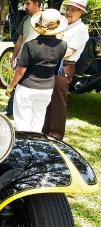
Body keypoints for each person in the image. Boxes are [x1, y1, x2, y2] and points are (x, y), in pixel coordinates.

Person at [5, 9, 67, 133]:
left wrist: (10, 87)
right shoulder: (63, 45)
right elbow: (56, 69)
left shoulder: (30, 45)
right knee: (38, 121)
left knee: (22, 123)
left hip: (27, 87)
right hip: (47, 88)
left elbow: (20, 71)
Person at [42, 0, 90, 140]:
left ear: (81, 12)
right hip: (53, 64)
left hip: (65, 66)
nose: (68, 12)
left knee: (58, 102)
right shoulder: (63, 25)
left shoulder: (81, 29)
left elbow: (68, 52)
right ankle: (45, 132)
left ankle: (56, 136)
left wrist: (47, 54)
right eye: (68, 8)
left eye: (73, 10)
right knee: (47, 99)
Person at [4, 0, 41, 116]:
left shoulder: (45, 19)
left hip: (37, 59)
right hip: (22, 57)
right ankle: (10, 109)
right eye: (25, 3)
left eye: (28, 3)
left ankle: (27, 113)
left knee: (31, 88)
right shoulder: (25, 19)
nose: (25, 6)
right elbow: (20, 40)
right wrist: (14, 56)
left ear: (36, 3)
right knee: (16, 84)